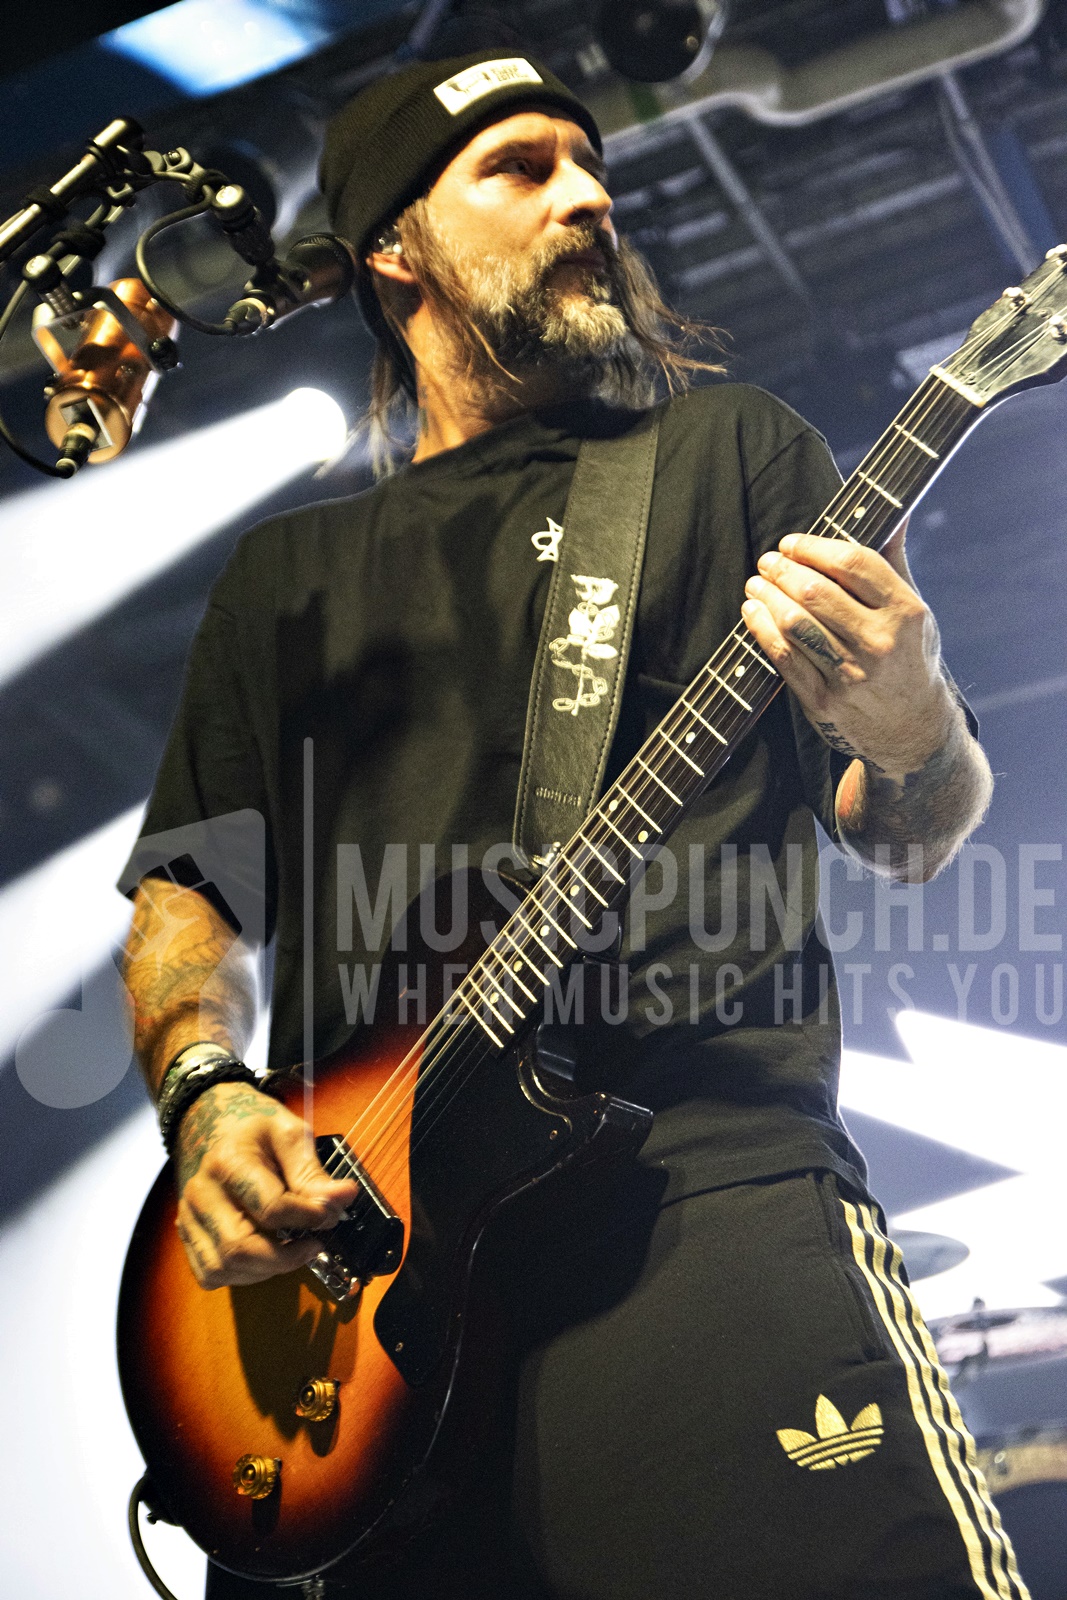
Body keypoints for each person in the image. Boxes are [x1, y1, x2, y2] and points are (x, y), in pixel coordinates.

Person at [120, 48, 1027, 1600]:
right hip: (354, 1295)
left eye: (589, 163)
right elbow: (184, 900)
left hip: (698, 1206)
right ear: (394, 248)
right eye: (520, 167)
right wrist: (206, 1096)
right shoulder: (286, 577)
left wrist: (914, 724)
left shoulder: (728, 455)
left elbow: (909, 831)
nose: (589, 195)